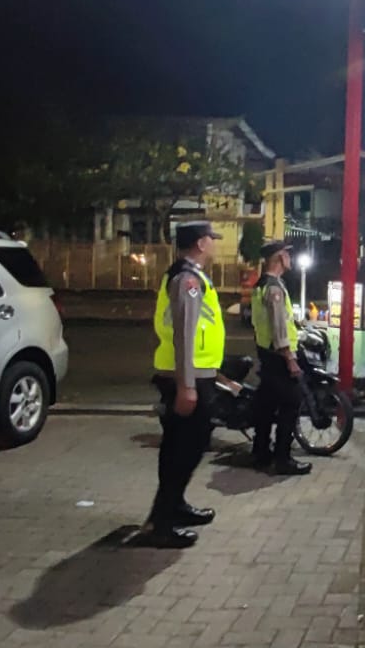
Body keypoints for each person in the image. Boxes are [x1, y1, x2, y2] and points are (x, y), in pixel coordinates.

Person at [136, 221, 225, 548]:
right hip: (187, 377)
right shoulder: (187, 279)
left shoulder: (186, 275)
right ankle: (161, 523)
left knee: (181, 446)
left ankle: (173, 507)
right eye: (211, 239)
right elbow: (184, 334)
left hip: (191, 374)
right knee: (186, 449)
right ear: (200, 243)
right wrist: (187, 385)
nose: (214, 244)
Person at [251, 240, 313, 476]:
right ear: (279, 258)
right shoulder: (274, 288)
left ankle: (260, 453)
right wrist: (290, 359)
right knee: (290, 404)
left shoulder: (261, 285)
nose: (290, 258)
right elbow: (278, 328)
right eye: (287, 254)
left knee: (265, 406)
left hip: (266, 354)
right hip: (279, 357)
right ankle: (283, 458)